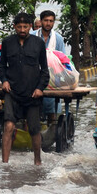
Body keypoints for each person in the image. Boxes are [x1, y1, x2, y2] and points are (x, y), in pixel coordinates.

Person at [0, 13, 50, 165]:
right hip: (12, 92)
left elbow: (45, 70)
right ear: (14, 26)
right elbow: (1, 67)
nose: (22, 30)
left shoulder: (38, 43)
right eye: (19, 27)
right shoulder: (7, 42)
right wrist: (4, 81)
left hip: (32, 94)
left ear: (30, 27)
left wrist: (40, 88)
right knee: (8, 125)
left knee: (34, 129)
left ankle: (37, 161)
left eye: (25, 27)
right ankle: (5, 164)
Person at [31, 10, 66, 149]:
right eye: (46, 20)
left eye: (51, 21)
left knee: (52, 105)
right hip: (33, 76)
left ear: (53, 22)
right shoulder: (32, 36)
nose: (48, 23)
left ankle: (52, 129)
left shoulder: (58, 39)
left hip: (52, 78)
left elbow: (62, 59)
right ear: (41, 21)